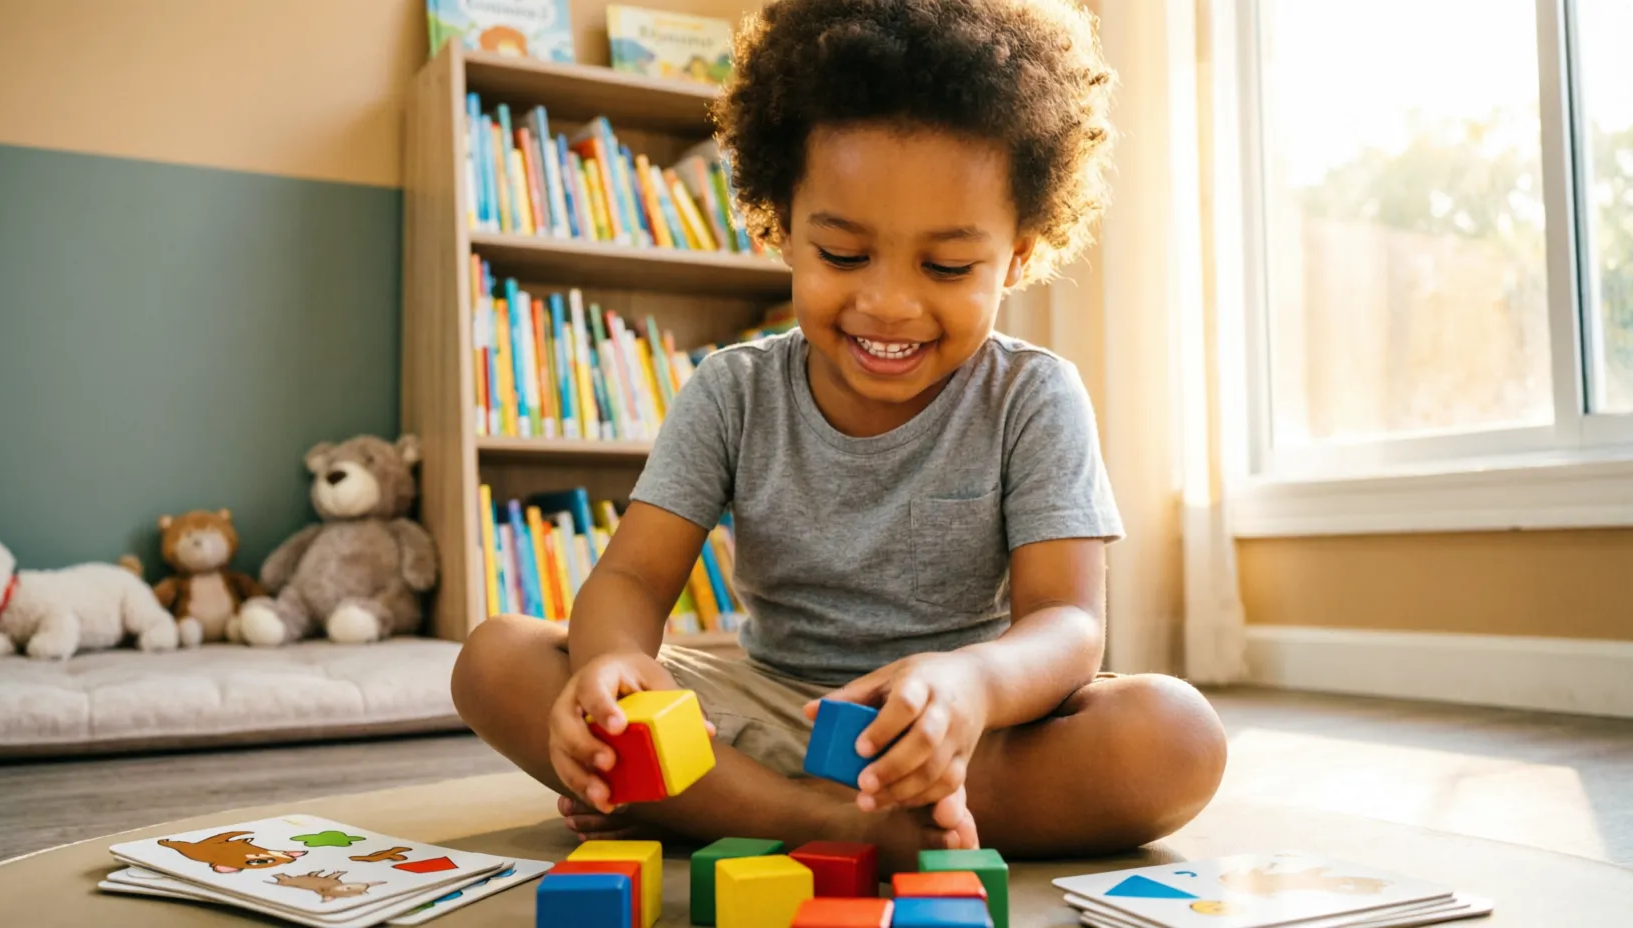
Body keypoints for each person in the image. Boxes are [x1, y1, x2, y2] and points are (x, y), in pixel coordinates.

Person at [452, 0, 1227, 871]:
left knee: (1175, 735)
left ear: (1019, 253)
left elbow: (1065, 622)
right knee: (496, 658)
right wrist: (612, 667)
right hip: (758, 710)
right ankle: (851, 828)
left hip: (951, 731)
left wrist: (969, 684)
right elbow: (630, 575)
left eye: (947, 266)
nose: (888, 303)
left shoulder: (1033, 396)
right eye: (845, 255)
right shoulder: (731, 391)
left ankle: (715, 811)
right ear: (781, 222)